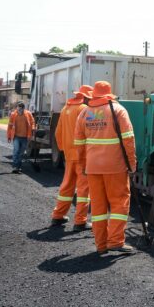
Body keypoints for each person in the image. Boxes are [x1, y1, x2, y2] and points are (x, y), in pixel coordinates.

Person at [74, 81, 137, 254]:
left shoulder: (84, 113)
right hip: (115, 166)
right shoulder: (118, 110)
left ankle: (101, 245)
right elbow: (128, 140)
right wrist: (132, 164)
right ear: (109, 93)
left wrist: (83, 166)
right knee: (119, 202)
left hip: (93, 167)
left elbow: (79, 144)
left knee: (98, 206)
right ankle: (115, 241)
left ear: (94, 94)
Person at [50, 85, 94, 230]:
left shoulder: (65, 109)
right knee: (83, 190)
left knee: (67, 185)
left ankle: (58, 215)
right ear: (86, 97)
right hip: (82, 155)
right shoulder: (84, 109)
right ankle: (80, 221)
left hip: (69, 155)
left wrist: (64, 148)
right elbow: (98, 121)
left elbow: (58, 133)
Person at [7, 101, 35, 173]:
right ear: (17, 108)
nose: (19, 111)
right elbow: (9, 126)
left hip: (25, 137)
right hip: (16, 136)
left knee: (21, 153)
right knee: (16, 151)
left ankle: (18, 166)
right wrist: (9, 136)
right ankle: (15, 166)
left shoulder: (28, 114)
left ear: (23, 109)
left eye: (21, 109)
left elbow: (32, 122)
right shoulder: (13, 115)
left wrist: (33, 128)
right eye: (18, 109)